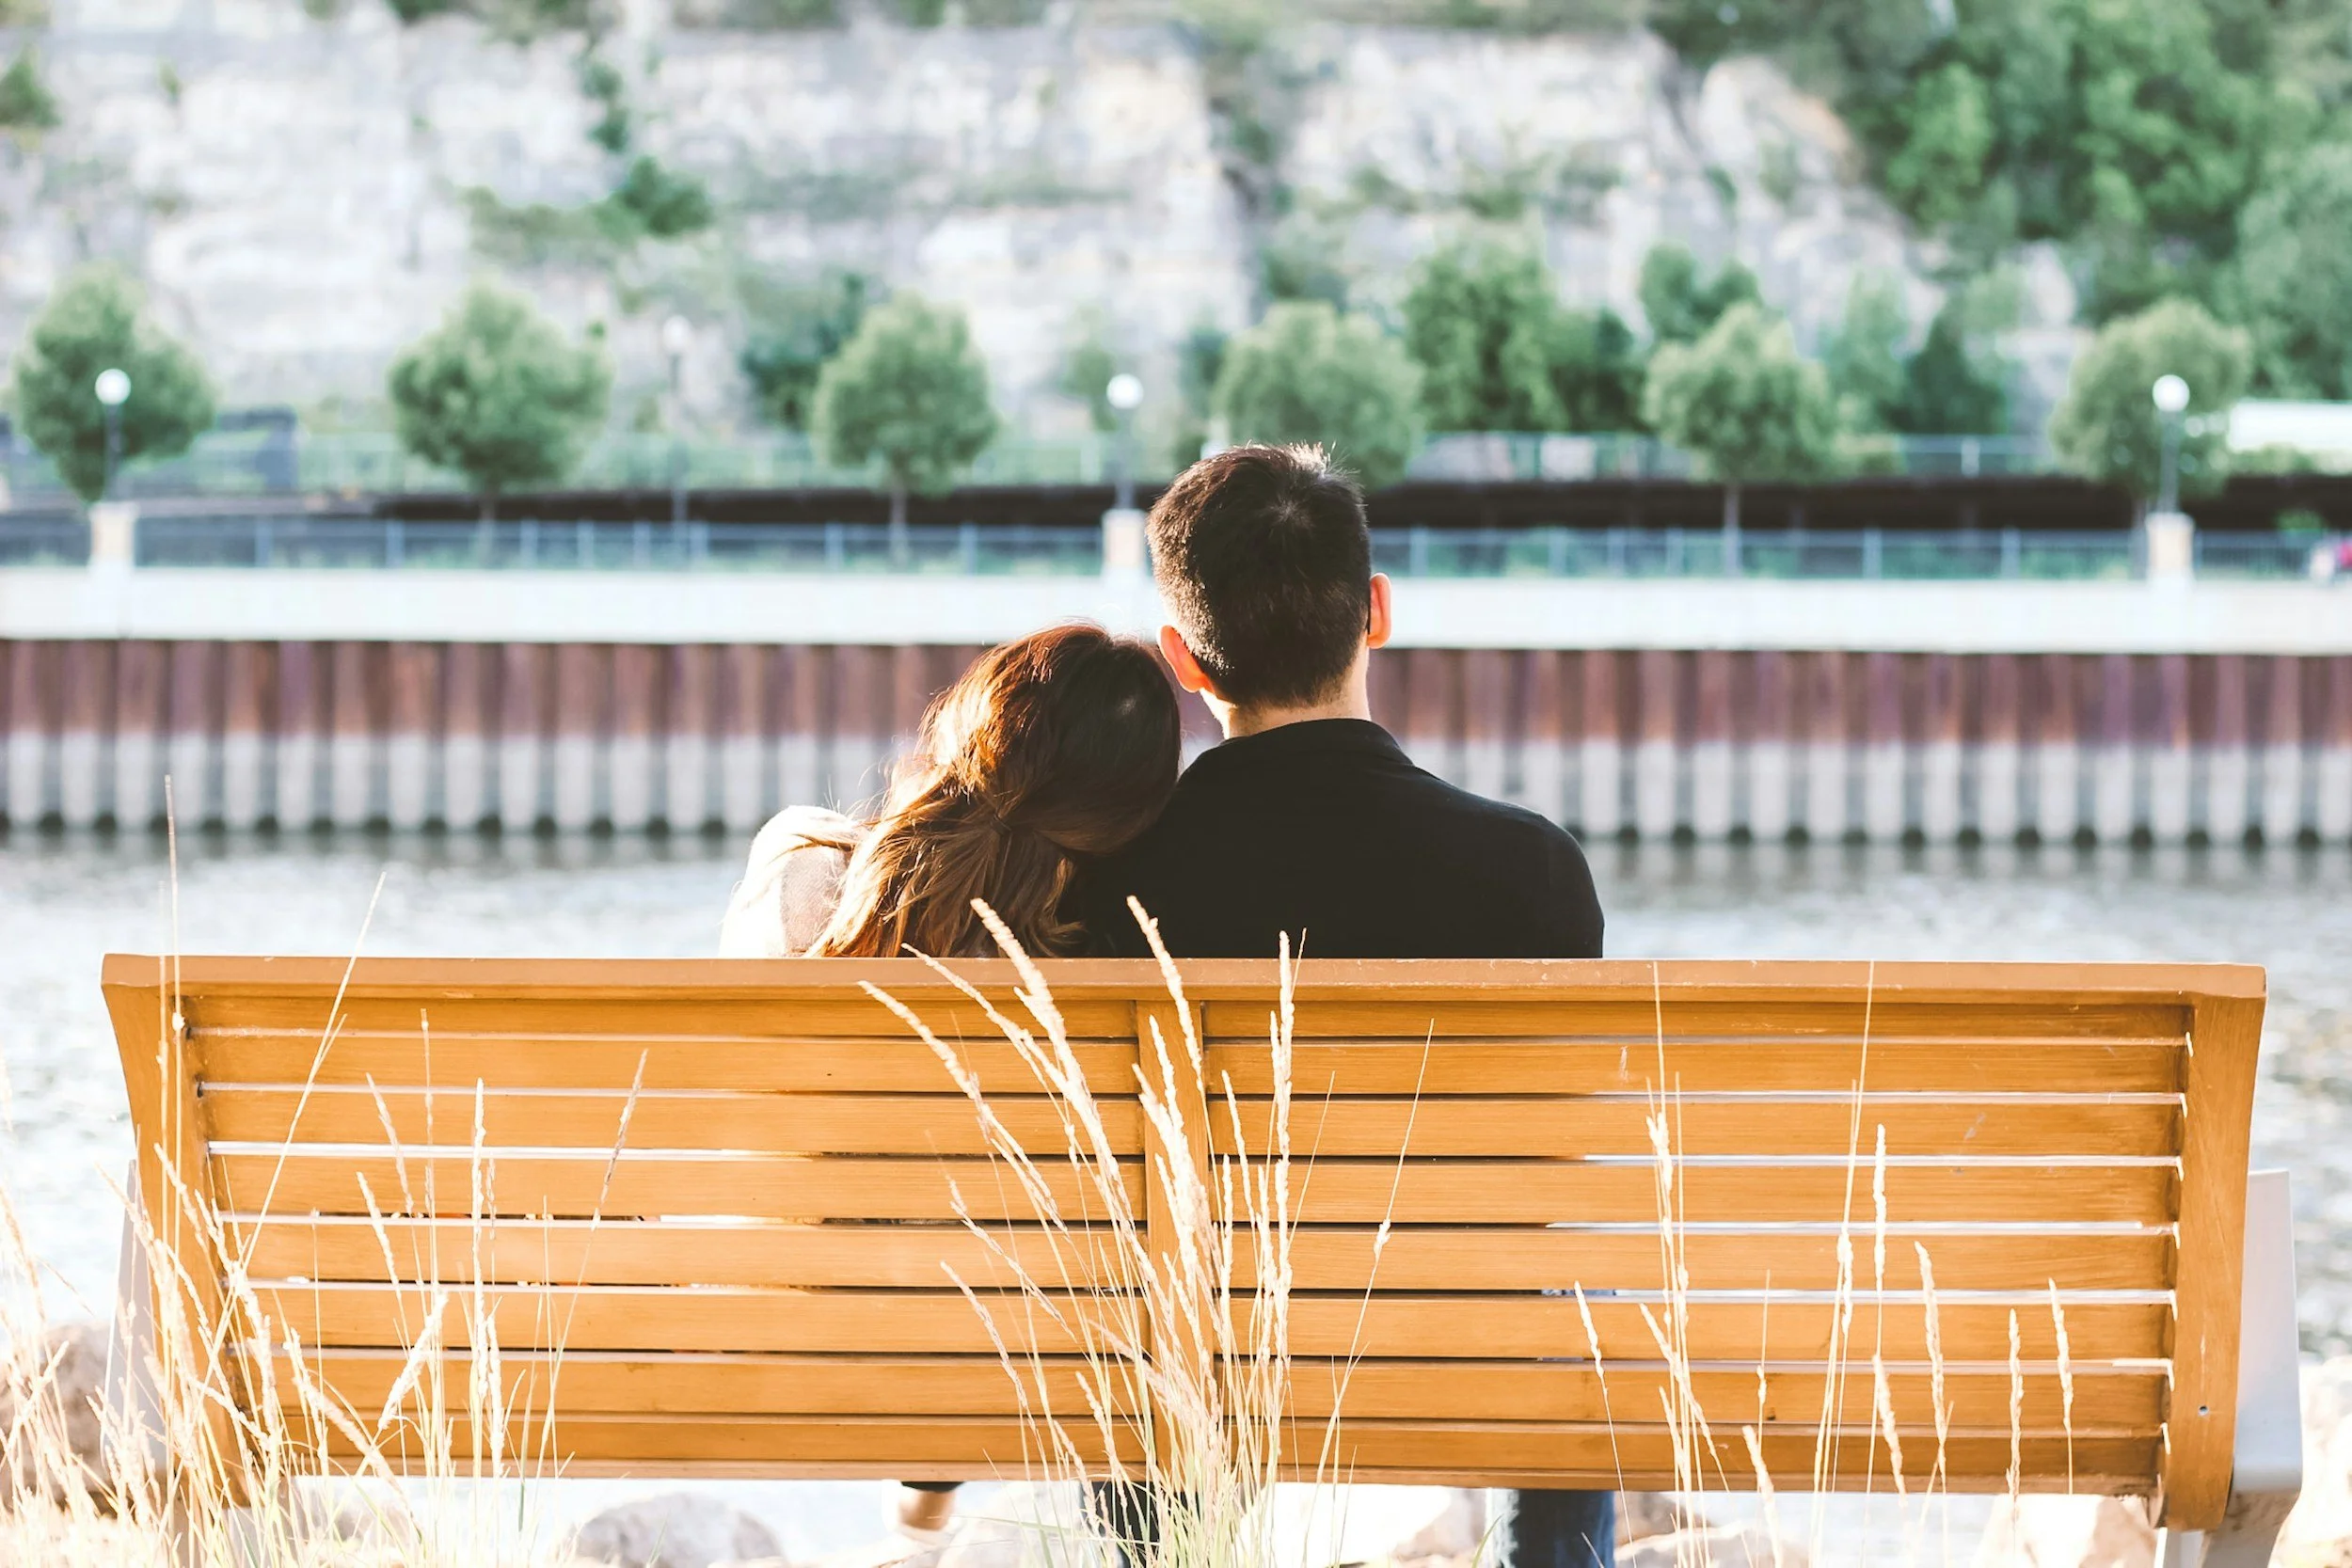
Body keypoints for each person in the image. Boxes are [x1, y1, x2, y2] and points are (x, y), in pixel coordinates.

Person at [1072, 444, 1613, 1568]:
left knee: (1126, 1276)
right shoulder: (1533, 869)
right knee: (1575, 1283)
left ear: (1182, 658)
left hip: (1202, 1340)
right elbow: (1560, 1164)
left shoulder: (1108, 884)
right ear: (1375, 610)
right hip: (1472, 1337)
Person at [718, 621, 1183, 1541]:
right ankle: (923, 1515)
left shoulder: (802, 866)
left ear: (967, 725)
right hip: (1024, 1355)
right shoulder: (1112, 954)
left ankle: (919, 1518)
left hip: (784, 1327)